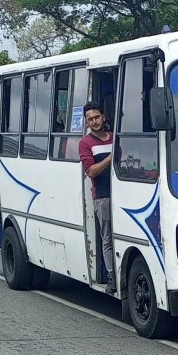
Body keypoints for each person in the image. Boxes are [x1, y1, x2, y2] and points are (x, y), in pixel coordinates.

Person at [78, 101, 115, 292]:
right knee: (107, 237)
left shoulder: (115, 137)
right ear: (86, 123)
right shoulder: (85, 143)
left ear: (103, 117)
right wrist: (110, 158)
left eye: (97, 117)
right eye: (90, 119)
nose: (94, 121)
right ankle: (111, 276)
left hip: (126, 193)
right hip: (102, 196)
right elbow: (91, 171)